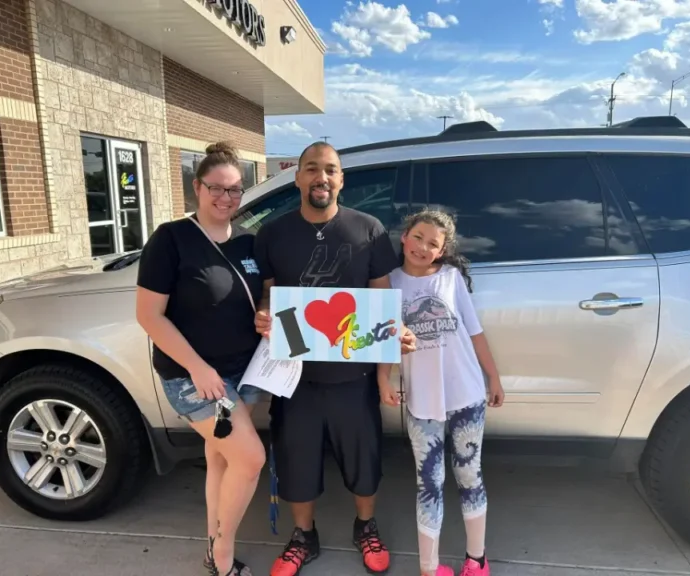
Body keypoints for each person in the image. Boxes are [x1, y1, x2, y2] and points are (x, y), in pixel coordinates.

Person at [253, 141, 417, 576]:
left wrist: (388, 355)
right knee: (295, 458)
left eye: (330, 170)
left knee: (364, 458)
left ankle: (366, 526)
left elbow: (382, 299)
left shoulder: (369, 229)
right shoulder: (274, 233)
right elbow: (269, 289)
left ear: (341, 180)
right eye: (311, 169)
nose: (320, 177)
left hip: (354, 375)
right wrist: (266, 312)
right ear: (298, 177)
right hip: (293, 375)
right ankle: (303, 537)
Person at [135, 142, 266, 576]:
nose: (226, 198)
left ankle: (213, 547)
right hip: (195, 378)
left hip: (243, 371)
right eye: (217, 189)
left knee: (223, 460)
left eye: (235, 191)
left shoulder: (248, 241)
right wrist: (197, 367)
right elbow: (148, 316)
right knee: (250, 460)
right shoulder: (171, 239)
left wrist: (265, 311)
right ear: (197, 187)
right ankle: (221, 555)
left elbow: (260, 293)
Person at [377, 209, 505, 576]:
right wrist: (382, 381)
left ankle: (476, 561)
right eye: (417, 237)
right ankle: (428, 569)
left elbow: (475, 332)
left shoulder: (451, 279)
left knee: (469, 475)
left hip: (467, 395)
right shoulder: (388, 283)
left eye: (433, 243)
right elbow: (382, 338)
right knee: (429, 483)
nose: (422, 247)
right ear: (404, 236)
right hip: (422, 401)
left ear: (442, 250)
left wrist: (492, 378)